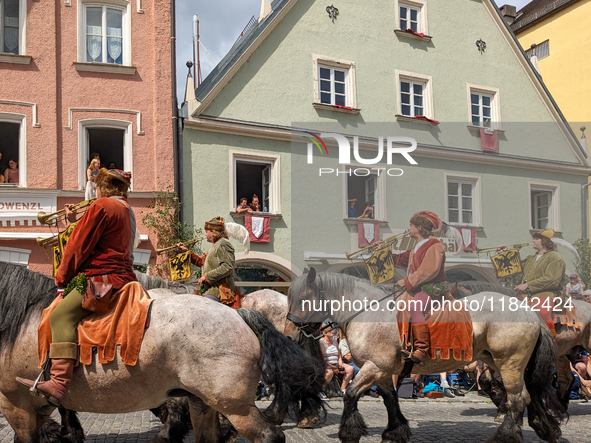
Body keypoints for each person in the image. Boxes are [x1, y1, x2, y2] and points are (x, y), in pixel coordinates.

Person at [16, 169, 137, 406]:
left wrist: (61, 278)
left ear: (101, 188)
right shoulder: (125, 209)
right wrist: (75, 221)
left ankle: (59, 383)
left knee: (60, 316)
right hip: (122, 277)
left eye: (97, 188)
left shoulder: (101, 206)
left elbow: (76, 247)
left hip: (101, 280)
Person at [392, 210, 447, 363]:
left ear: (420, 227)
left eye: (411, 225)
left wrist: (406, 281)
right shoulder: (416, 247)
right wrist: (382, 254)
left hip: (432, 287)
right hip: (416, 288)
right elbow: (400, 259)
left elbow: (429, 270)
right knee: (399, 304)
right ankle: (405, 343)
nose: (408, 228)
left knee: (416, 307)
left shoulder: (435, 245)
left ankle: (421, 349)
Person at [497, 228, 566, 337]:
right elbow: (514, 268)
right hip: (526, 294)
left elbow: (552, 279)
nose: (533, 241)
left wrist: (528, 285)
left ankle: (549, 342)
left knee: (543, 312)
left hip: (546, 293)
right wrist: (504, 254)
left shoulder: (555, 258)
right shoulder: (531, 258)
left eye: (537, 238)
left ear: (544, 241)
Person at [178, 216, 236, 304]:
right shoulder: (214, 246)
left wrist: (207, 277)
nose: (205, 235)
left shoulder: (223, 244)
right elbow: (201, 262)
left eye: (206, 232)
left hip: (219, 291)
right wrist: (186, 251)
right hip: (209, 290)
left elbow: (227, 267)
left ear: (213, 232)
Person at [320, 329, 354, 397]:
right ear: (324, 333)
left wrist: (340, 363)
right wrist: (333, 367)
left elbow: (339, 355)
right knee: (330, 372)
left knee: (350, 368)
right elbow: (322, 358)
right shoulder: (321, 342)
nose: (332, 332)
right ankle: (321, 390)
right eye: (330, 331)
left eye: (333, 331)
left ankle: (342, 389)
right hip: (326, 364)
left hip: (335, 363)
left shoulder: (334, 341)